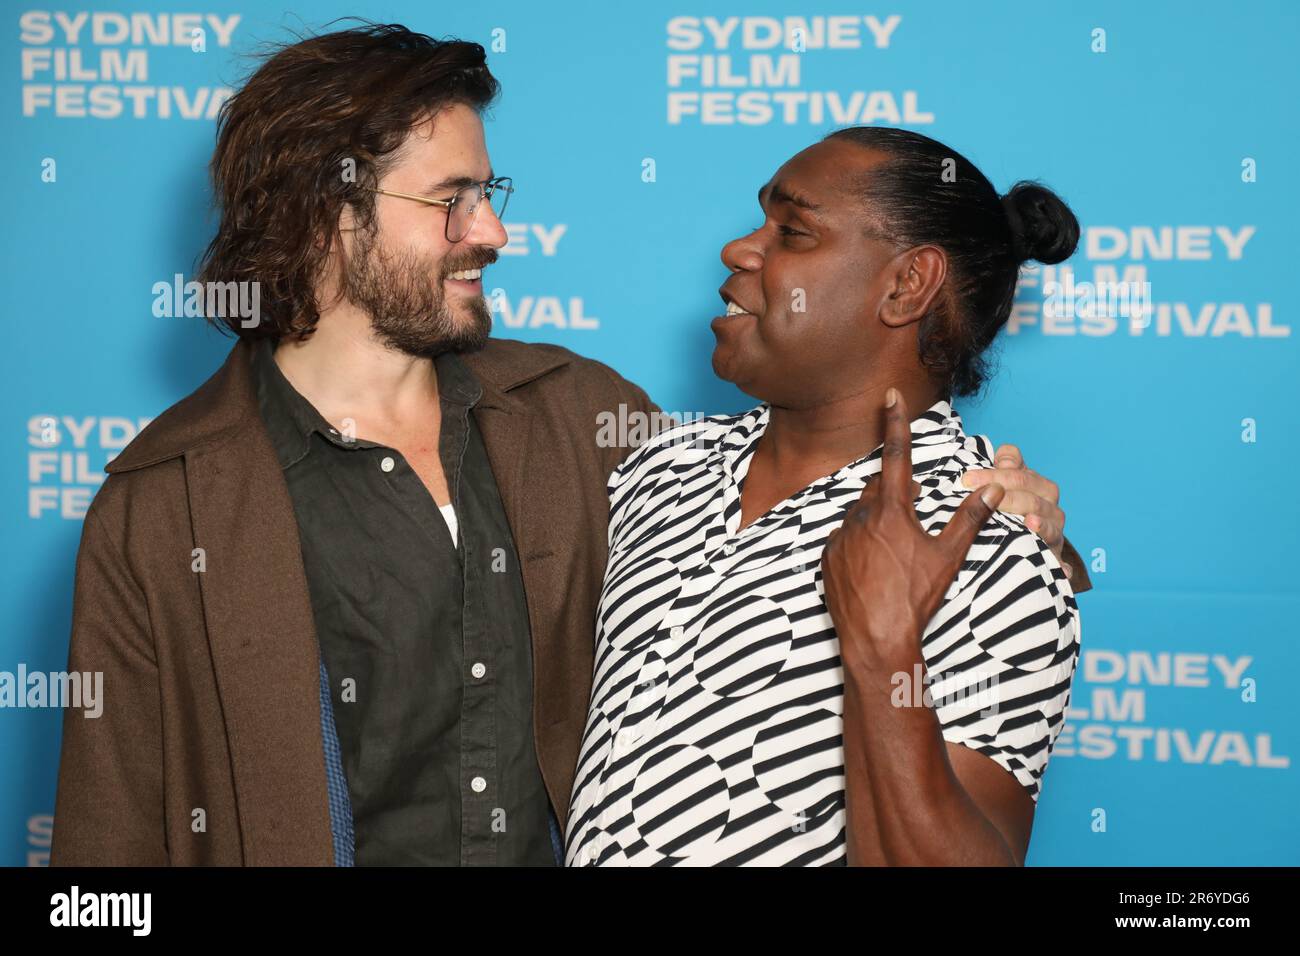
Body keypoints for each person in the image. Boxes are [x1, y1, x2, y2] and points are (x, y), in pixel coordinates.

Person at [51, 25, 1086, 866]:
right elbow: (106, 848)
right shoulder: (162, 505)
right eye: (449, 199)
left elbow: (835, 478)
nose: (492, 233)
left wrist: (1008, 513)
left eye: (488, 196)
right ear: (328, 213)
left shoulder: (582, 418)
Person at [565, 127, 1083, 866]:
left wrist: (883, 643)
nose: (739, 251)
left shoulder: (991, 555)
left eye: (793, 232)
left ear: (907, 285)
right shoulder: (656, 467)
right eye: (759, 223)